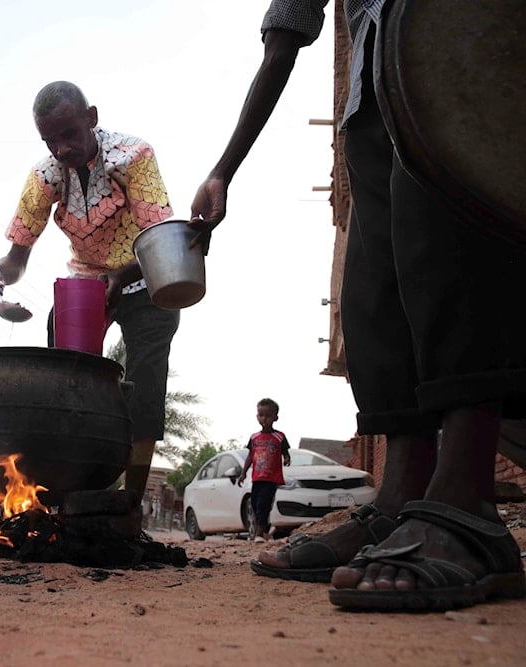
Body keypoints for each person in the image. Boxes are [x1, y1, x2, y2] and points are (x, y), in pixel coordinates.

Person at [189, 1, 526, 610]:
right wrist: (225, 169)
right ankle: (400, 498)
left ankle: (466, 499)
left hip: (457, 39)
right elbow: (289, 27)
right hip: (372, 91)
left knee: (448, 244)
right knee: (375, 288)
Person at [0, 81, 178, 499]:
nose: (61, 148)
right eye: (50, 139)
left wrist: (120, 278)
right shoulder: (44, 176)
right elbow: (15, 260)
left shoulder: (133, 156)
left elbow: (160, 240)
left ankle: (130, 501)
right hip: (86, 283)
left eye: (69, 134)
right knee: (66, 383)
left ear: (92, 118)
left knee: (145, 387)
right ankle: (65, 491)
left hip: (144, 276)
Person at [236, 398, 291, 541]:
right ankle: (265, 529)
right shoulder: (254, 437)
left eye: (267, 416)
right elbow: (250, 456)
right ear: (257, 417)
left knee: (263, 504)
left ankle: (259, 534)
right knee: (255, 504)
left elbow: (285, 451)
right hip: (257, 478)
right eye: (261, 415)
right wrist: (243, 473)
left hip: (271, 478)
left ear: (275, 418)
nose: (264, 419)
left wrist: (286, 458)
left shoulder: (279, 437)